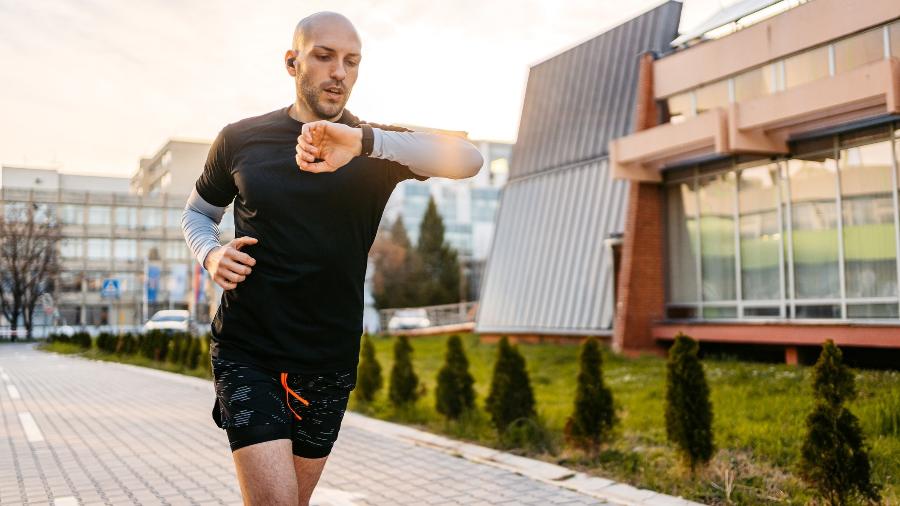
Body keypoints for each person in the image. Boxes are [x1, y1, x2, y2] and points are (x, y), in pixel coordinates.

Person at [180, 11, 483, 506]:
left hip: (329, 358)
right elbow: (197, 213)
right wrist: (210, 254)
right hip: (247, 347)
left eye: (351, 61)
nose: (339, 71)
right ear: (292, 61)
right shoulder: (241, 139)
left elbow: (469, 159)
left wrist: (364, 142)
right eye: (324, 56)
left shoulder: (375, 146)